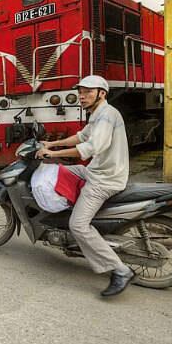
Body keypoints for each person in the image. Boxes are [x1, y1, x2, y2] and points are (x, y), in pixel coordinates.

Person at [35, 75, 134, 297]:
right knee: (59, 170)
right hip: (95, 171)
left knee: (78, 225)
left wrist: (53, 153)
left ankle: (120, 270)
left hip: (104, 179)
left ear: (102, 93)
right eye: (80, 91)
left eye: (88, 91)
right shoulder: (98, 115)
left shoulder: (107, 115)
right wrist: (52, 143)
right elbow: (81, 137)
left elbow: (90, 147)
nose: (82, 95)